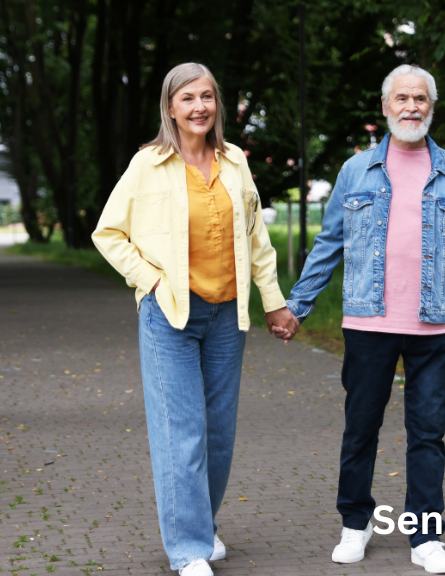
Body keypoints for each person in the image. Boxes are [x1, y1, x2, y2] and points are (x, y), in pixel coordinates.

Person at [276, 64, 445, 574]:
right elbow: (330, 243)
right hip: (369, 324)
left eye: (420, 99)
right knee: (361, 427)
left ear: (431, 108)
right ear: (385, 107)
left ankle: (426, 538)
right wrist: (297, 307)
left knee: (428, 432)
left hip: (435, 326)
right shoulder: (357, 170)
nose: (411, 107)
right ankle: (356, 524)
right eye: (401, 98)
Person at [92, 62, 297, 576]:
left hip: (228, 315)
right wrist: (152, 281)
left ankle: (201, 525)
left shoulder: (235, 162)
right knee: (180, 432)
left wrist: (273, 300)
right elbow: (108, 234)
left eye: (207, 97)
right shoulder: (148, 165)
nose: (199, 106)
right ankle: (187, 550)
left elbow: (256, 239)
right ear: (170, 108)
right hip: (170, 316)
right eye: (188, 98)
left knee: (219, 434)